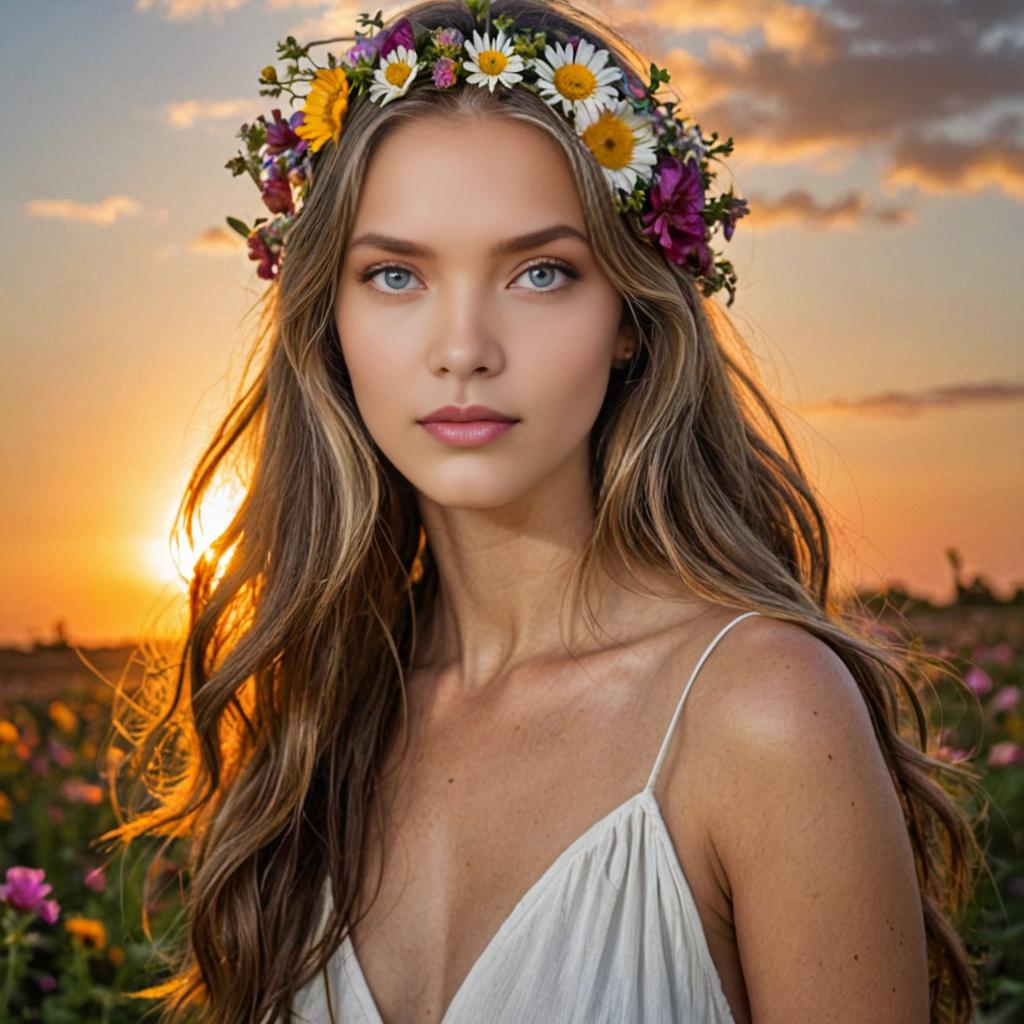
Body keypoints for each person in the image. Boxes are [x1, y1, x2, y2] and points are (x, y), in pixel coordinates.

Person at [103, 1, 984, 1022]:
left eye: (539, 272)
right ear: (330, 321)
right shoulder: (317, 718)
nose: (464, 346)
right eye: (395, 274)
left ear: (627, 317)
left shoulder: (762, 713)